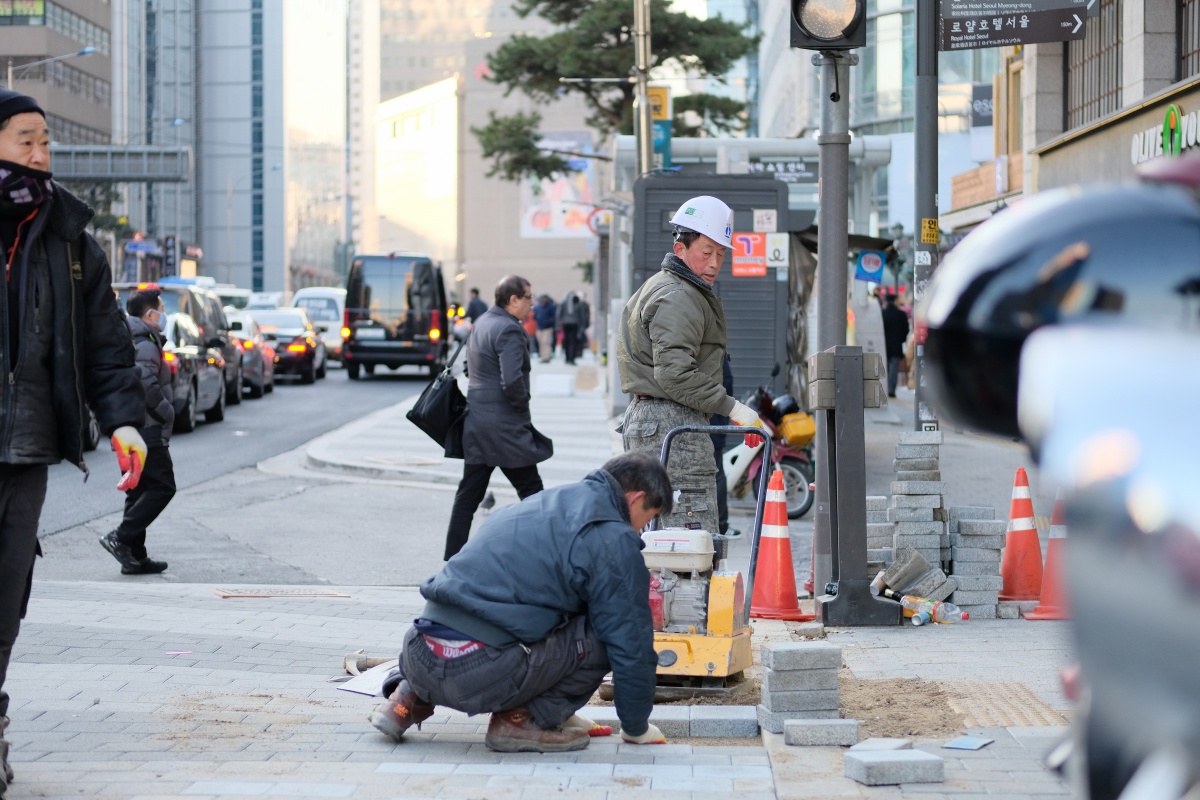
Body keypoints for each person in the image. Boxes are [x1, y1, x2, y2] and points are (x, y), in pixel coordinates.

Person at [0, 88, 146, 797]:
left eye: (45, 142)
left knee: (6, 597)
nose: (40, 153)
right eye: (25, 139)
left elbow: (107, 346)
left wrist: (122, 420)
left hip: (25, 448)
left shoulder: (68, 239)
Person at [369, 451, 671, 753]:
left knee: (475, 617)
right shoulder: (612, 538)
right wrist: (636, 727)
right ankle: (520, 721)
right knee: (607, 633)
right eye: (650, 515)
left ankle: (405, 701)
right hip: (479, 672)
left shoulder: (538, 505)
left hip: (417, 656)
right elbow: (630, 641)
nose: (643, 527)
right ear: (635, 498)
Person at [616, 195, 760, 535]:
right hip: (672, 420)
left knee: (661, 536)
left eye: (721, 253)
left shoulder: (673, 288)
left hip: (657, 419)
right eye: (706, 251)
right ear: (680, 249)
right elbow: (675, 374)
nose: (714, 262)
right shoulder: (680, 295)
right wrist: (733, 407)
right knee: (688, 535)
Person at [443, 275, 552, 560]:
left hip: (476, 423)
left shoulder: (481, 323)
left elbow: (468, 367)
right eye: (528, 297)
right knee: (533, 493)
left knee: (467, 497)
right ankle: (546, 557)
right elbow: (512, 380)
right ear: (513, 299)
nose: (531, 302)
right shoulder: (509, 330)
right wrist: (521, 404)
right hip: (505, 428)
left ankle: (452, 559)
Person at [99, 288, 176, 575]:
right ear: (149, 314)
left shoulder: (133, 337)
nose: (164, 313)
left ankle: (133, 555)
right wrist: (168, 411)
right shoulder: (144, 343)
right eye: (161, 308)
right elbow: (146, 385)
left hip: (131, 427)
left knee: (138, 489)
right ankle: (120, 537)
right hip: (146, 429)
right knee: (163, 486)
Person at [881, 291, 910, 398]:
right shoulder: (901, 315)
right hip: (896, 345)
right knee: (894, 368)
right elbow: (906, 330)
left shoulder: (882, 314)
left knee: (884, 367)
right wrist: (901, 339)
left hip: (884, 345)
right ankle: (891, 390)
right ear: (895, 301)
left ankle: (883, 389)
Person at [558, 291, 585, 364]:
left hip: (571, 324)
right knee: (570, 341)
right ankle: (569, 358)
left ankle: (570, 358)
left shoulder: (569, 303)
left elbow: (559, 314)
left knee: (570, 341)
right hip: (570, 324)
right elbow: (559, 314)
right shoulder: (567, 303)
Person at [533, 293, 556, 363]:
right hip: (539, 327)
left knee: (546, 342)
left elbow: (553, 317)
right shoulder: (537, 306)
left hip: (547, 327)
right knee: (541, 342)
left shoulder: (551, 306)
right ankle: (543, 356)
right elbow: (535, 315)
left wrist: (548, 322)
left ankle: (547, 356)